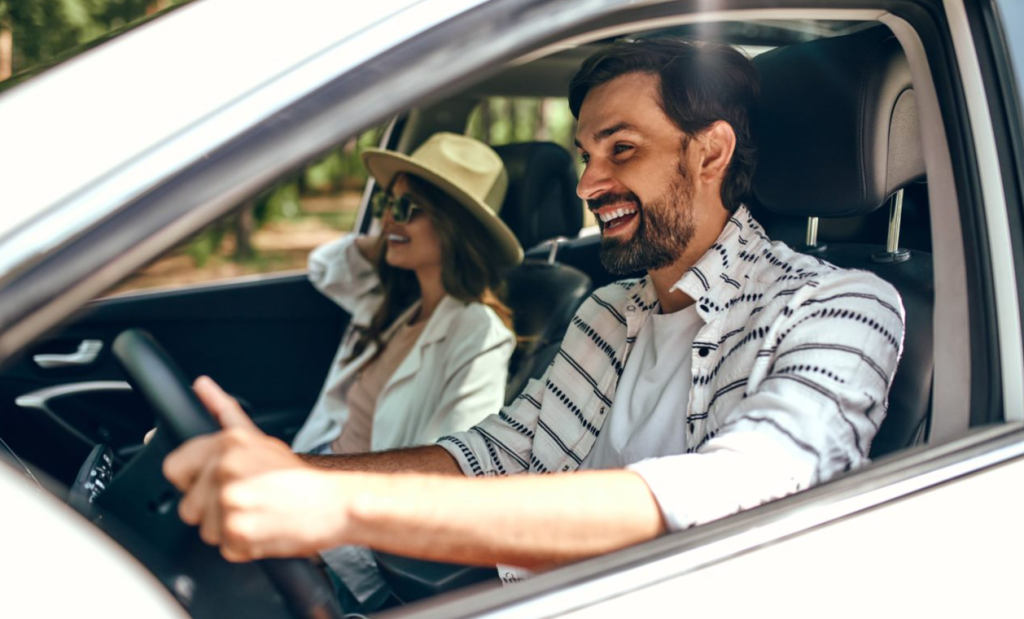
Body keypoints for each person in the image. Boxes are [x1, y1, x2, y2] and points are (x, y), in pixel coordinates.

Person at [163, 37, 905, 589]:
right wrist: (295, 473)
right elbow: (487, 455)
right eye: (585, 153)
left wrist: (335, 502)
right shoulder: (609, 312)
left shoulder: (842, 307)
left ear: (710, 154)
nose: (589, 182)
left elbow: (733, 492)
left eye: (621, 149)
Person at [291, 132, 523, 607]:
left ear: (454, 226)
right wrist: (390, 233)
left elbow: (452, 472)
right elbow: (324, 267)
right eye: (386, 203)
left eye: (407, 208)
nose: (387, 218)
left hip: (347, 528)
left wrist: (325, 543)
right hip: (314, 477)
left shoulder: (477, 333)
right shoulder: (395, 303)